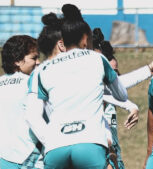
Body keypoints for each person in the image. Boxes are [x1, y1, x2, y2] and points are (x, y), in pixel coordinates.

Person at [25, 4, 127, 169]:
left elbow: (32, 116)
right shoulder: (98, 59)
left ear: (63, 40)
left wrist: (51, 140)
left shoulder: (41, 70)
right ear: (85, 39)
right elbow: (121, 95)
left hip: (55, 147)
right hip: (90, 143)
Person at [93, 27, 153, 169]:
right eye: (110, 73)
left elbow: (115, 89)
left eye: (116, 72)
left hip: (115, 158)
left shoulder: (109, 97)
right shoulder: (89, 91)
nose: (114, 77)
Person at [0, 35, 41, 168]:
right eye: (34, 58)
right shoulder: (32, 83)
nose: (38, 62)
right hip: (26, 157)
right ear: (17, 60)